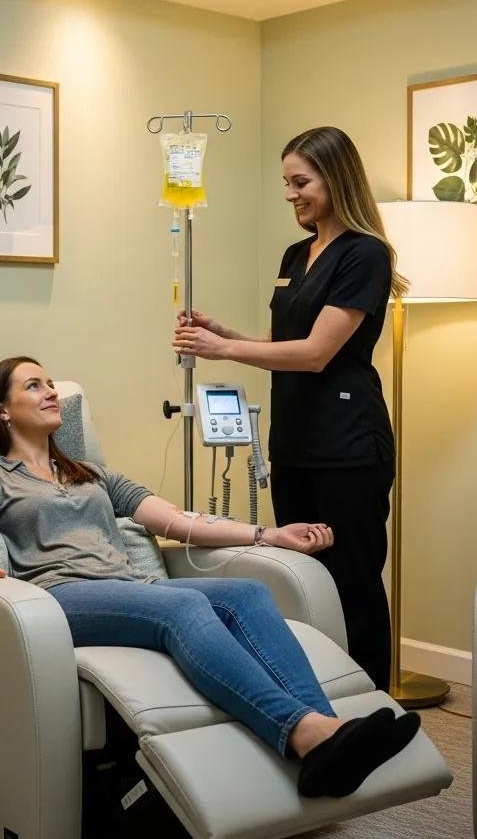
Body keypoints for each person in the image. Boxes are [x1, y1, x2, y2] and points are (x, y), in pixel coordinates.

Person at [0, 356, 419, 798]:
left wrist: (268, 535)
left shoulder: (92, 473)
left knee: (249, 594)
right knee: (185, 606)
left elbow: (175, 519)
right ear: (3, 410)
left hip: (133, 589)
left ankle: (331, 737)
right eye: (34, 386)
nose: (50, 392)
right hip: (62, 597)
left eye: (50, 383)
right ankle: (302, 731)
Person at [171, 126, 406, 693]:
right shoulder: (295, 254)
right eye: (287, 182)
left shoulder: (366, 253)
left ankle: (373, 704)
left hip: (348, 444)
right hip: (296, 441)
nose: (289, 193)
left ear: (335, 178)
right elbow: (282, 345)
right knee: (303, 575)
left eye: (300, 181)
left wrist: (220, 350)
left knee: (352, 580)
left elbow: (317, 353)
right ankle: (318, 694)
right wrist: (223, 331)